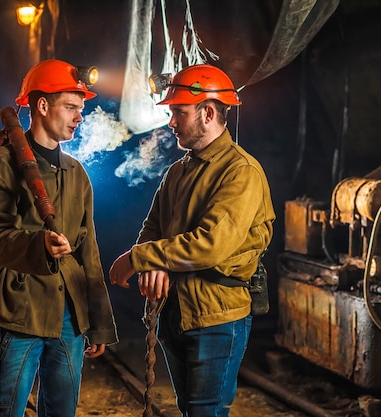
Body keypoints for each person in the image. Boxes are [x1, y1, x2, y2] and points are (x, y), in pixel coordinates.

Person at [109, 63, 275, 417]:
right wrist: (154, 259)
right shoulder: (179, 171)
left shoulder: (240, 172)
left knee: (204, 412)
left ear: (208, 113)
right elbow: (153, 227)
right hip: (177, 312)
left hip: (216, 315)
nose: (171, 123)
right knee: (191, 410)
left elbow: (210, 245)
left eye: (178, 113)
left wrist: (140, 258)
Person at [0, 59, 119, 417]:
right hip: (20, 311)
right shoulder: (1, 165)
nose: (78, 117)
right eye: (70, 107)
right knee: (6, 410)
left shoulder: (76, 173)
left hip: (69, 316)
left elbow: (89, 251)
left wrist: (98, 322)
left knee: (61, 412)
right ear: (41, 106)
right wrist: (38, 245)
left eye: (80, 109)